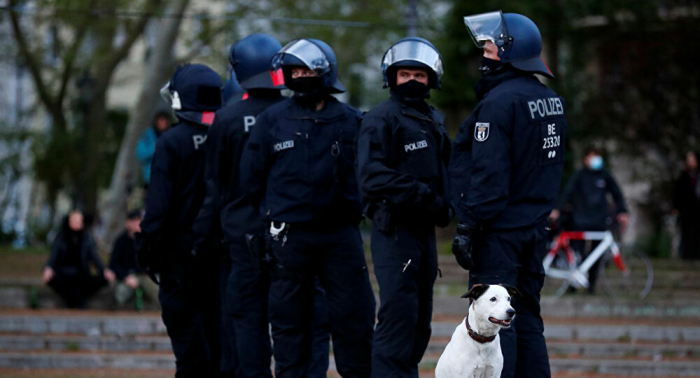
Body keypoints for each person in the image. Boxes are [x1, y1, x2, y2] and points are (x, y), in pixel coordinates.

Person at [192, 33, 332, 378]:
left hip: (243, 239)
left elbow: (216, 184)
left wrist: (202, 237)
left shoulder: (225, 120)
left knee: (247, 320)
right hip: (295, 235)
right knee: (304, 316)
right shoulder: (298, 112)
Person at [240, 38, 376, 378]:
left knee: (354, 319)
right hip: (289, 240)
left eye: (308, 70)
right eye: (294, 71)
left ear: (325, 73)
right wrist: (268, 223)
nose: (300, 76)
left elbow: (368, 174)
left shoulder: (351, 120)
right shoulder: (271, 120)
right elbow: (250, 181)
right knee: (289, 322)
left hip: (340, 237)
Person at [451, 11, 568, 378]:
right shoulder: (550, 100)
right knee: (529, 317)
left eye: (489, 45)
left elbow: (490, 175)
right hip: (534, 229)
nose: (484, 51)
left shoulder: (499, 103)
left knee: (498, 324)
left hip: (498, 232)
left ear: (508, 50)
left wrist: (469, 225)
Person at [356, 37, 451, 378]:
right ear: (392, 77)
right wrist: (424, 196)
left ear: (431, 79)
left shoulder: (432, 119)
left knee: (418, 325)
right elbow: (371, 177)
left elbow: (447, 169)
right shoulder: (381, 119)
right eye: (405, 74)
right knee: (397, 322)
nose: (412, 80)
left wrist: (448, 204)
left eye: (420, 75)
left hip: (424, 235)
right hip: (395, 233)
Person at [136, 64, 223, 377]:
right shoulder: (228, 135)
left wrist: (145, 247)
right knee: (219, 341)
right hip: (221, 253)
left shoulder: (171, 142)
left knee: (189, 349)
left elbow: (158, 207)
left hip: (179, 258)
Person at [551, 147, 628, 292]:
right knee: (576, 254)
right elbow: (567, 193)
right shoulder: (579, 175)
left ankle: (591, 285)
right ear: (585, 159)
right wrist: (557, 209)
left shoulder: (605, 175)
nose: (596, 160)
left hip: (599, 221)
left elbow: (617, 194)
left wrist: (622, 211)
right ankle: (572, 284)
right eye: (593, 156)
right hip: (580, 221)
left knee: (596, 254)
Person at [43, 210, 112, 308]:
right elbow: (53, 256)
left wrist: (104, 270)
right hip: (64, 274)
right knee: (51, 279)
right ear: (69, 221)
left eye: (79, 220)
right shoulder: (60, 237)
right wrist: (48, 268)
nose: (77, 223)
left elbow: (94, 258)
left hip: (82, 275)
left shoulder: (87, 238)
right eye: (74, 220)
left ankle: (74, 301)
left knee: (103, 278)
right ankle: (78, 301)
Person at [108, 210, 158, 309]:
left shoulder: (148, 240)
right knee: (120, 295)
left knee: (157, 294)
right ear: (128, 223)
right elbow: (114, 264)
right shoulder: (121, 241)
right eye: (133, 220)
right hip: (127, 277)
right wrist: (126, 276)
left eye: (138, 220)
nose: (136, 223)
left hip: (145, 276)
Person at [672, 151, 700, 259]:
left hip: (697, 210)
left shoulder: (698, 175)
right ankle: (686, 256)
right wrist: (675, 207)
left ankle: (696, 255)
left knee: (697, 233)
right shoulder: (683, 175)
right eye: (689, 160)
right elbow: (677, 193)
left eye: (692, 160)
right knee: (686, 233)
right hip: (686, 210)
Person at [136, 110, 172, 187]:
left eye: (164, 120)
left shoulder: (173, 135)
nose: (162, 123)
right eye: (160, 120)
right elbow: (141, 154)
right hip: (151, 178)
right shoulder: (147, 136)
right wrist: (156, 148)